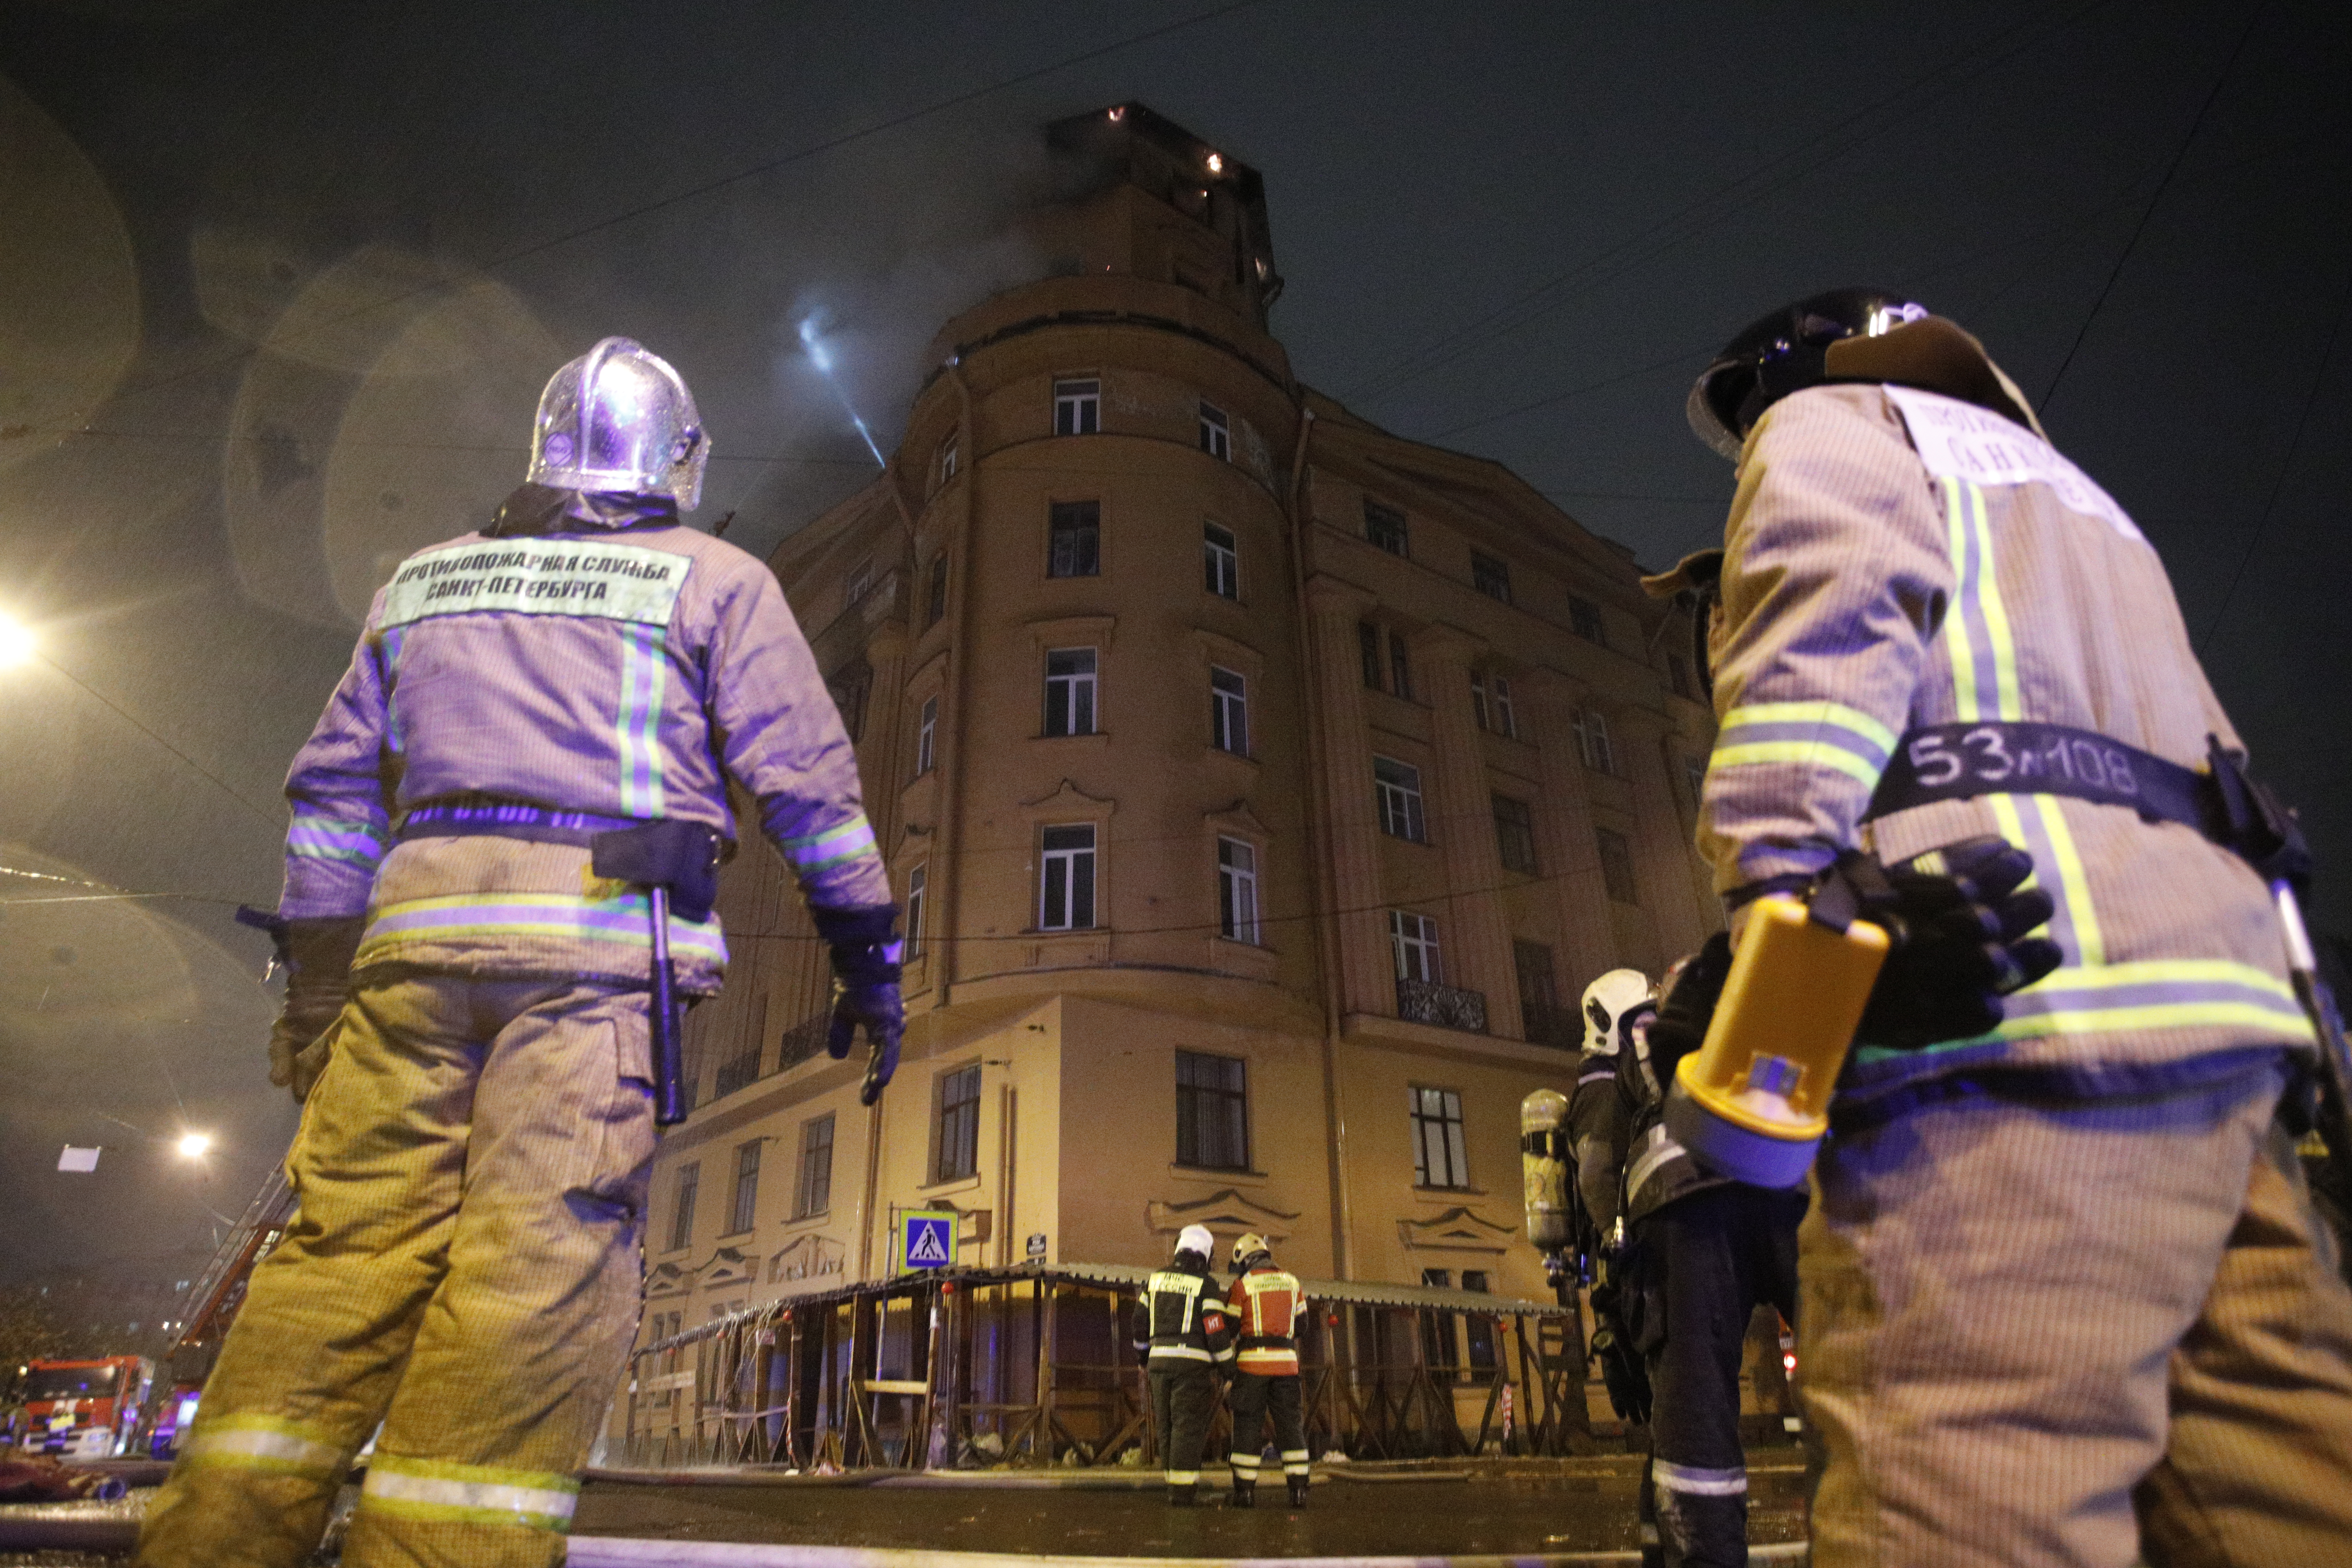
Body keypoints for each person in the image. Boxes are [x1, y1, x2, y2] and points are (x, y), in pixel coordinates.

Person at [135, 338, 902, 1568]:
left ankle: (213, 1544)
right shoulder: (716, 581)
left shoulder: (425, 582)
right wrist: (869, 961)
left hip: (407, 966)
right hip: (590, 975)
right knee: (531, 1276)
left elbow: (331, 800)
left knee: (339, 1259)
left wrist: (319, 998)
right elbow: (811, 791)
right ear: (679, 459)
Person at [1670, 288, 2352, 1566]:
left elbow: (1816, 631)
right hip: (2230, 1052)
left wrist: (1790, 927)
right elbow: (2228, 783)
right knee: (2275, 1499)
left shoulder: (1831, 420)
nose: (1758, 432)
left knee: (1971, 1499)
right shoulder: (2082, 504)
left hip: (2004, 1041)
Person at [1608, 956, 1803, 1568]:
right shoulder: (1758, 1004)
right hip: (1785, 1174)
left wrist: (1612, 1312)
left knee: (1694, 1411)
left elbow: (1602, 1178)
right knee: (1857, 1372)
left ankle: (1706, 1556)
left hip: (1685, 1209)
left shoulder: (1635, 1059)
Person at [1132, 1224, 1234, 1506]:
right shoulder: (1206, 1285)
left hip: (1158, 1364)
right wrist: (1229, 1369)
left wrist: (1143, 1357)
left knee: (1165, 1426)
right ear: (1205, 1255)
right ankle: (1184, 1493)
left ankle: (1173, 1485)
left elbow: (1140, 1323)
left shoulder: (1155, 1280)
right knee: (1186, 1429)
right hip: (1192, 1367)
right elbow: (1215, 1328)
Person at [1221, 1232, 1309, 1509]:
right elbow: (1303, 1326)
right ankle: (1298, 1493)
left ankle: (1245, 1494)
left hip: (1251, 1367)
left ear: (1245, 1259)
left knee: (1247, 1426)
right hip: (1286, 1366)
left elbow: (1230, 1328)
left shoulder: (1243, 1285)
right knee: (1290, 1427)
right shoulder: (1292, 1282)